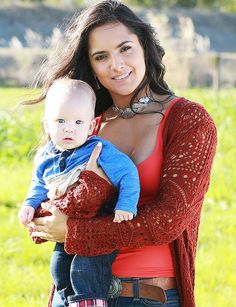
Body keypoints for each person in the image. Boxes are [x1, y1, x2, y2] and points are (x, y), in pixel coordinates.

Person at [27, 1, 217, 307]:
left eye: (125, 48)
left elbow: (168, 222)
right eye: (101, 56)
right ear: (91, 65)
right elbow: (46, 199)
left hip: (146, 296)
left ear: (144, 46)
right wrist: (40, 216)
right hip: (74, 294)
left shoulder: (188, 119)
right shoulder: (85, 124)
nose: (116, 64)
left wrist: (76, 231)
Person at [18, 78, 140, 306]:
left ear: (91, 126)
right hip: (66, 223)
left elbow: (128, 173)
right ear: (47, 125)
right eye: (61, 121)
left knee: (85, 269)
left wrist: (126, 204)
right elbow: (39, 185)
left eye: (77, 122)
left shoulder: (98, 149)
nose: (69, 128)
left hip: (98, 222)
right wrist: (29, 205)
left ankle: (91, 301)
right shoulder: (45, 157)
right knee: (58, 268)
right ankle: (66, 301)